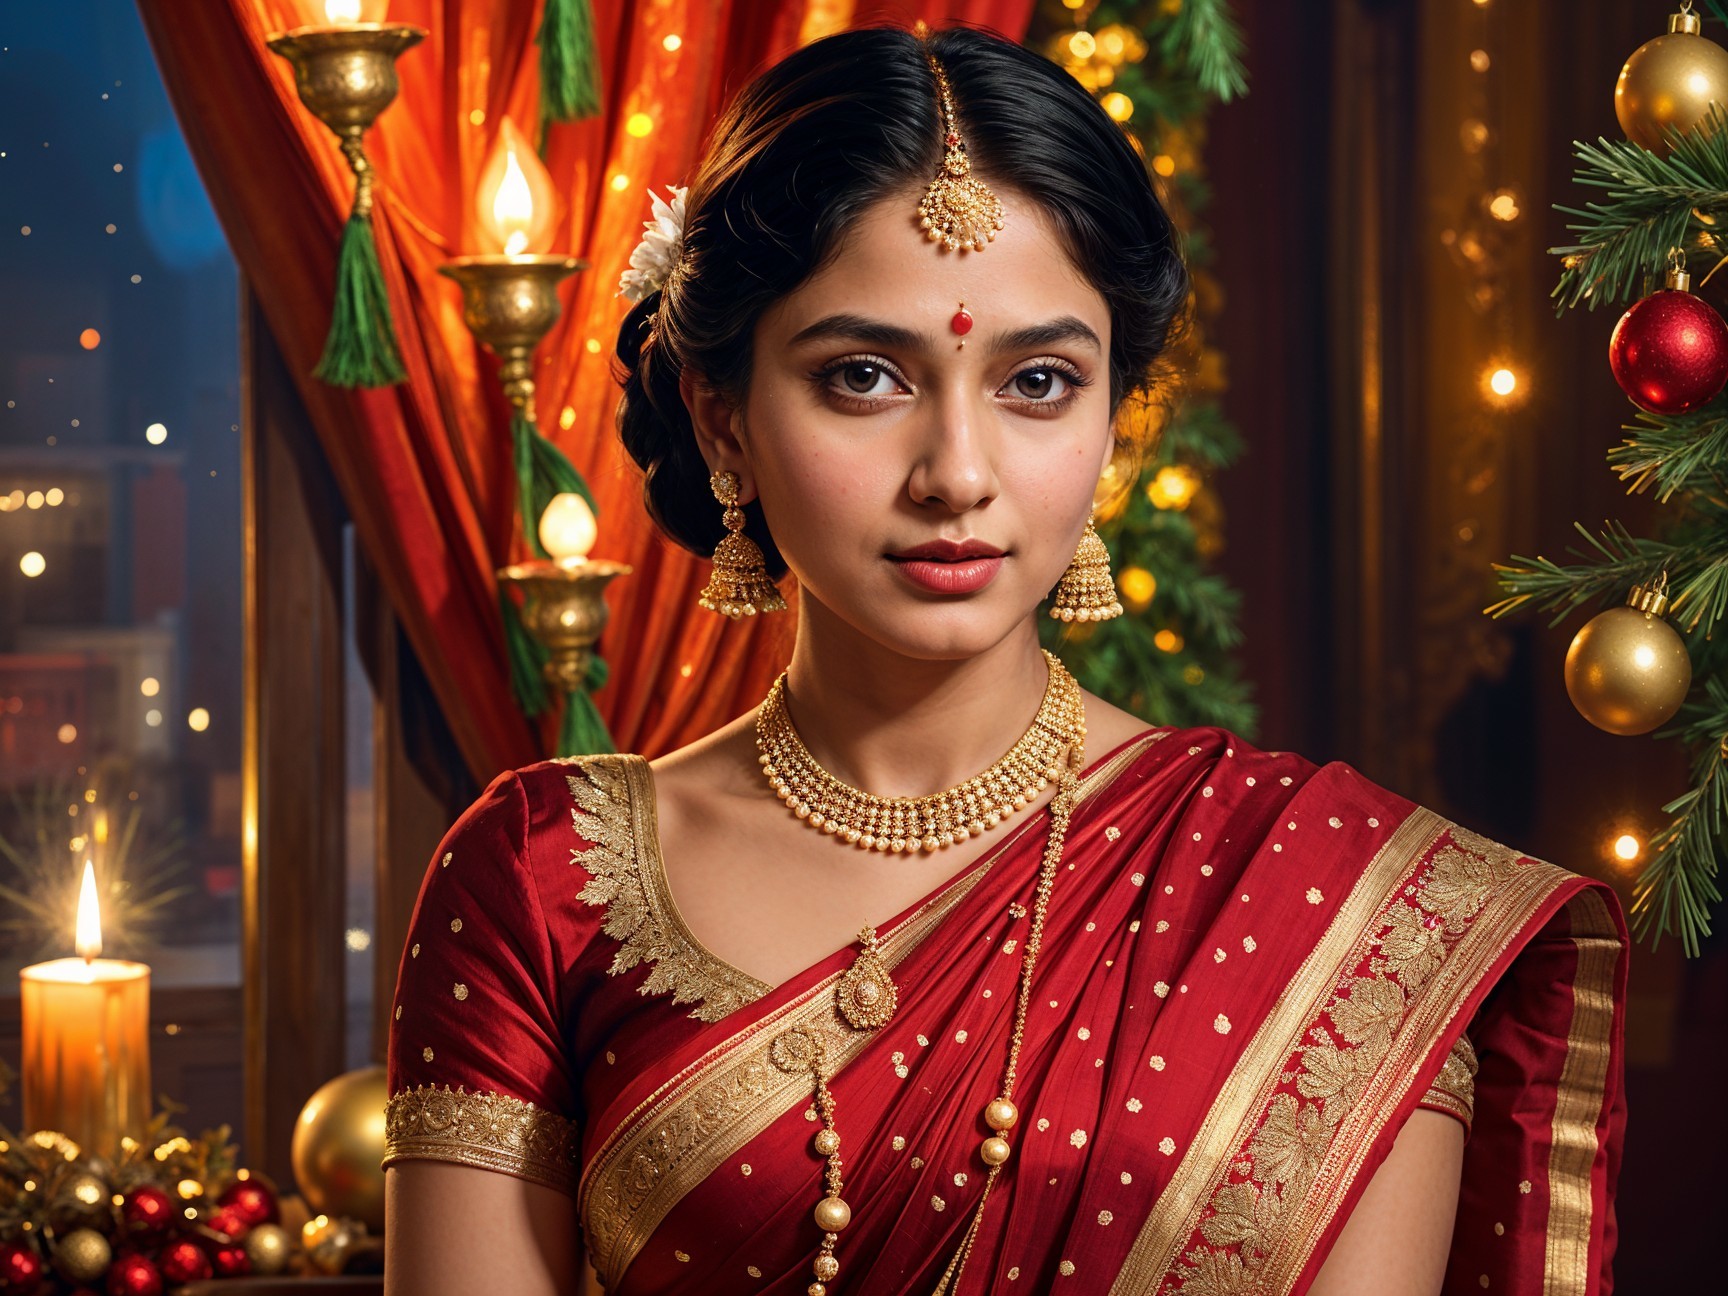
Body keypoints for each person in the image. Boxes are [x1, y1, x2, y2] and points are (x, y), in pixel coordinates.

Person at [381, 22, 1627, 1296]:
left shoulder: (1337, 911)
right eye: (863, 377)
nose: (959, 474)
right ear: (723, 417)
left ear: (1117, 421)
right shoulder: (544, 880)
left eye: (1037, 381)